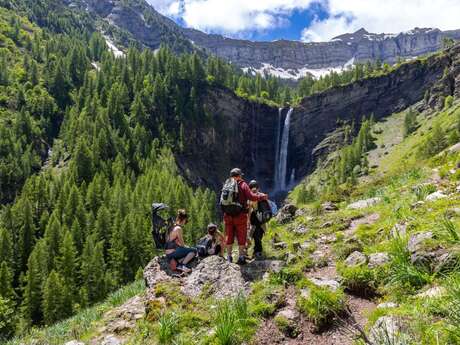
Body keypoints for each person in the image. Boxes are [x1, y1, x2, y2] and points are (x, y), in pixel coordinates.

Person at [221, 168, 268, 265]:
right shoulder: (243, 184)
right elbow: (251, 197)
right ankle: (241, 257)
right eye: (241, 175)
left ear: (231, 175)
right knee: (241, 235)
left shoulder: (227, 184)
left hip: (228, 215)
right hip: (240, 215)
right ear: (239, 175)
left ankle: (229, 257)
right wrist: (262, 197)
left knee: (229, 235)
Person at [248, 180, 267, 260]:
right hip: (263, 220)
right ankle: (257, 251)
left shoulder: (251, 197)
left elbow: (249, 210)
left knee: (255, 236)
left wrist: (248, 221)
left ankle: (257, 252)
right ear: (258, 187)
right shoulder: (262, 195)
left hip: (255, 219)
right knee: (259, 236)